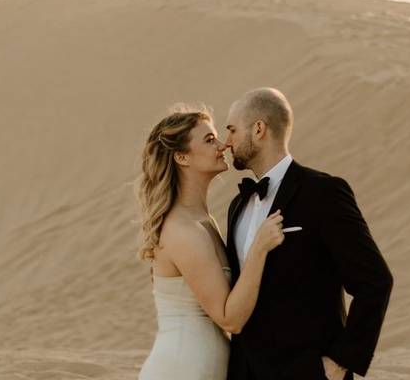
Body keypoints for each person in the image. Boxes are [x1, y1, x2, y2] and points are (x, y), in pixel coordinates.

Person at [224, 88, 393, 380]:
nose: (227, 142)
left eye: (232, 130)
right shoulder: (238, 205)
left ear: (259, 129)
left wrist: (339, 363)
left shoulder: (323, 193)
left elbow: (375, 281)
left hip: (307, 372)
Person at [137, 106, 285, 380]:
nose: (223, 145)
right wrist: (260, 249)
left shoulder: (202, 220)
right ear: (182, 157)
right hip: (182, 369)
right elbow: (229, 319)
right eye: (209, 140)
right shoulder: (183, 230)